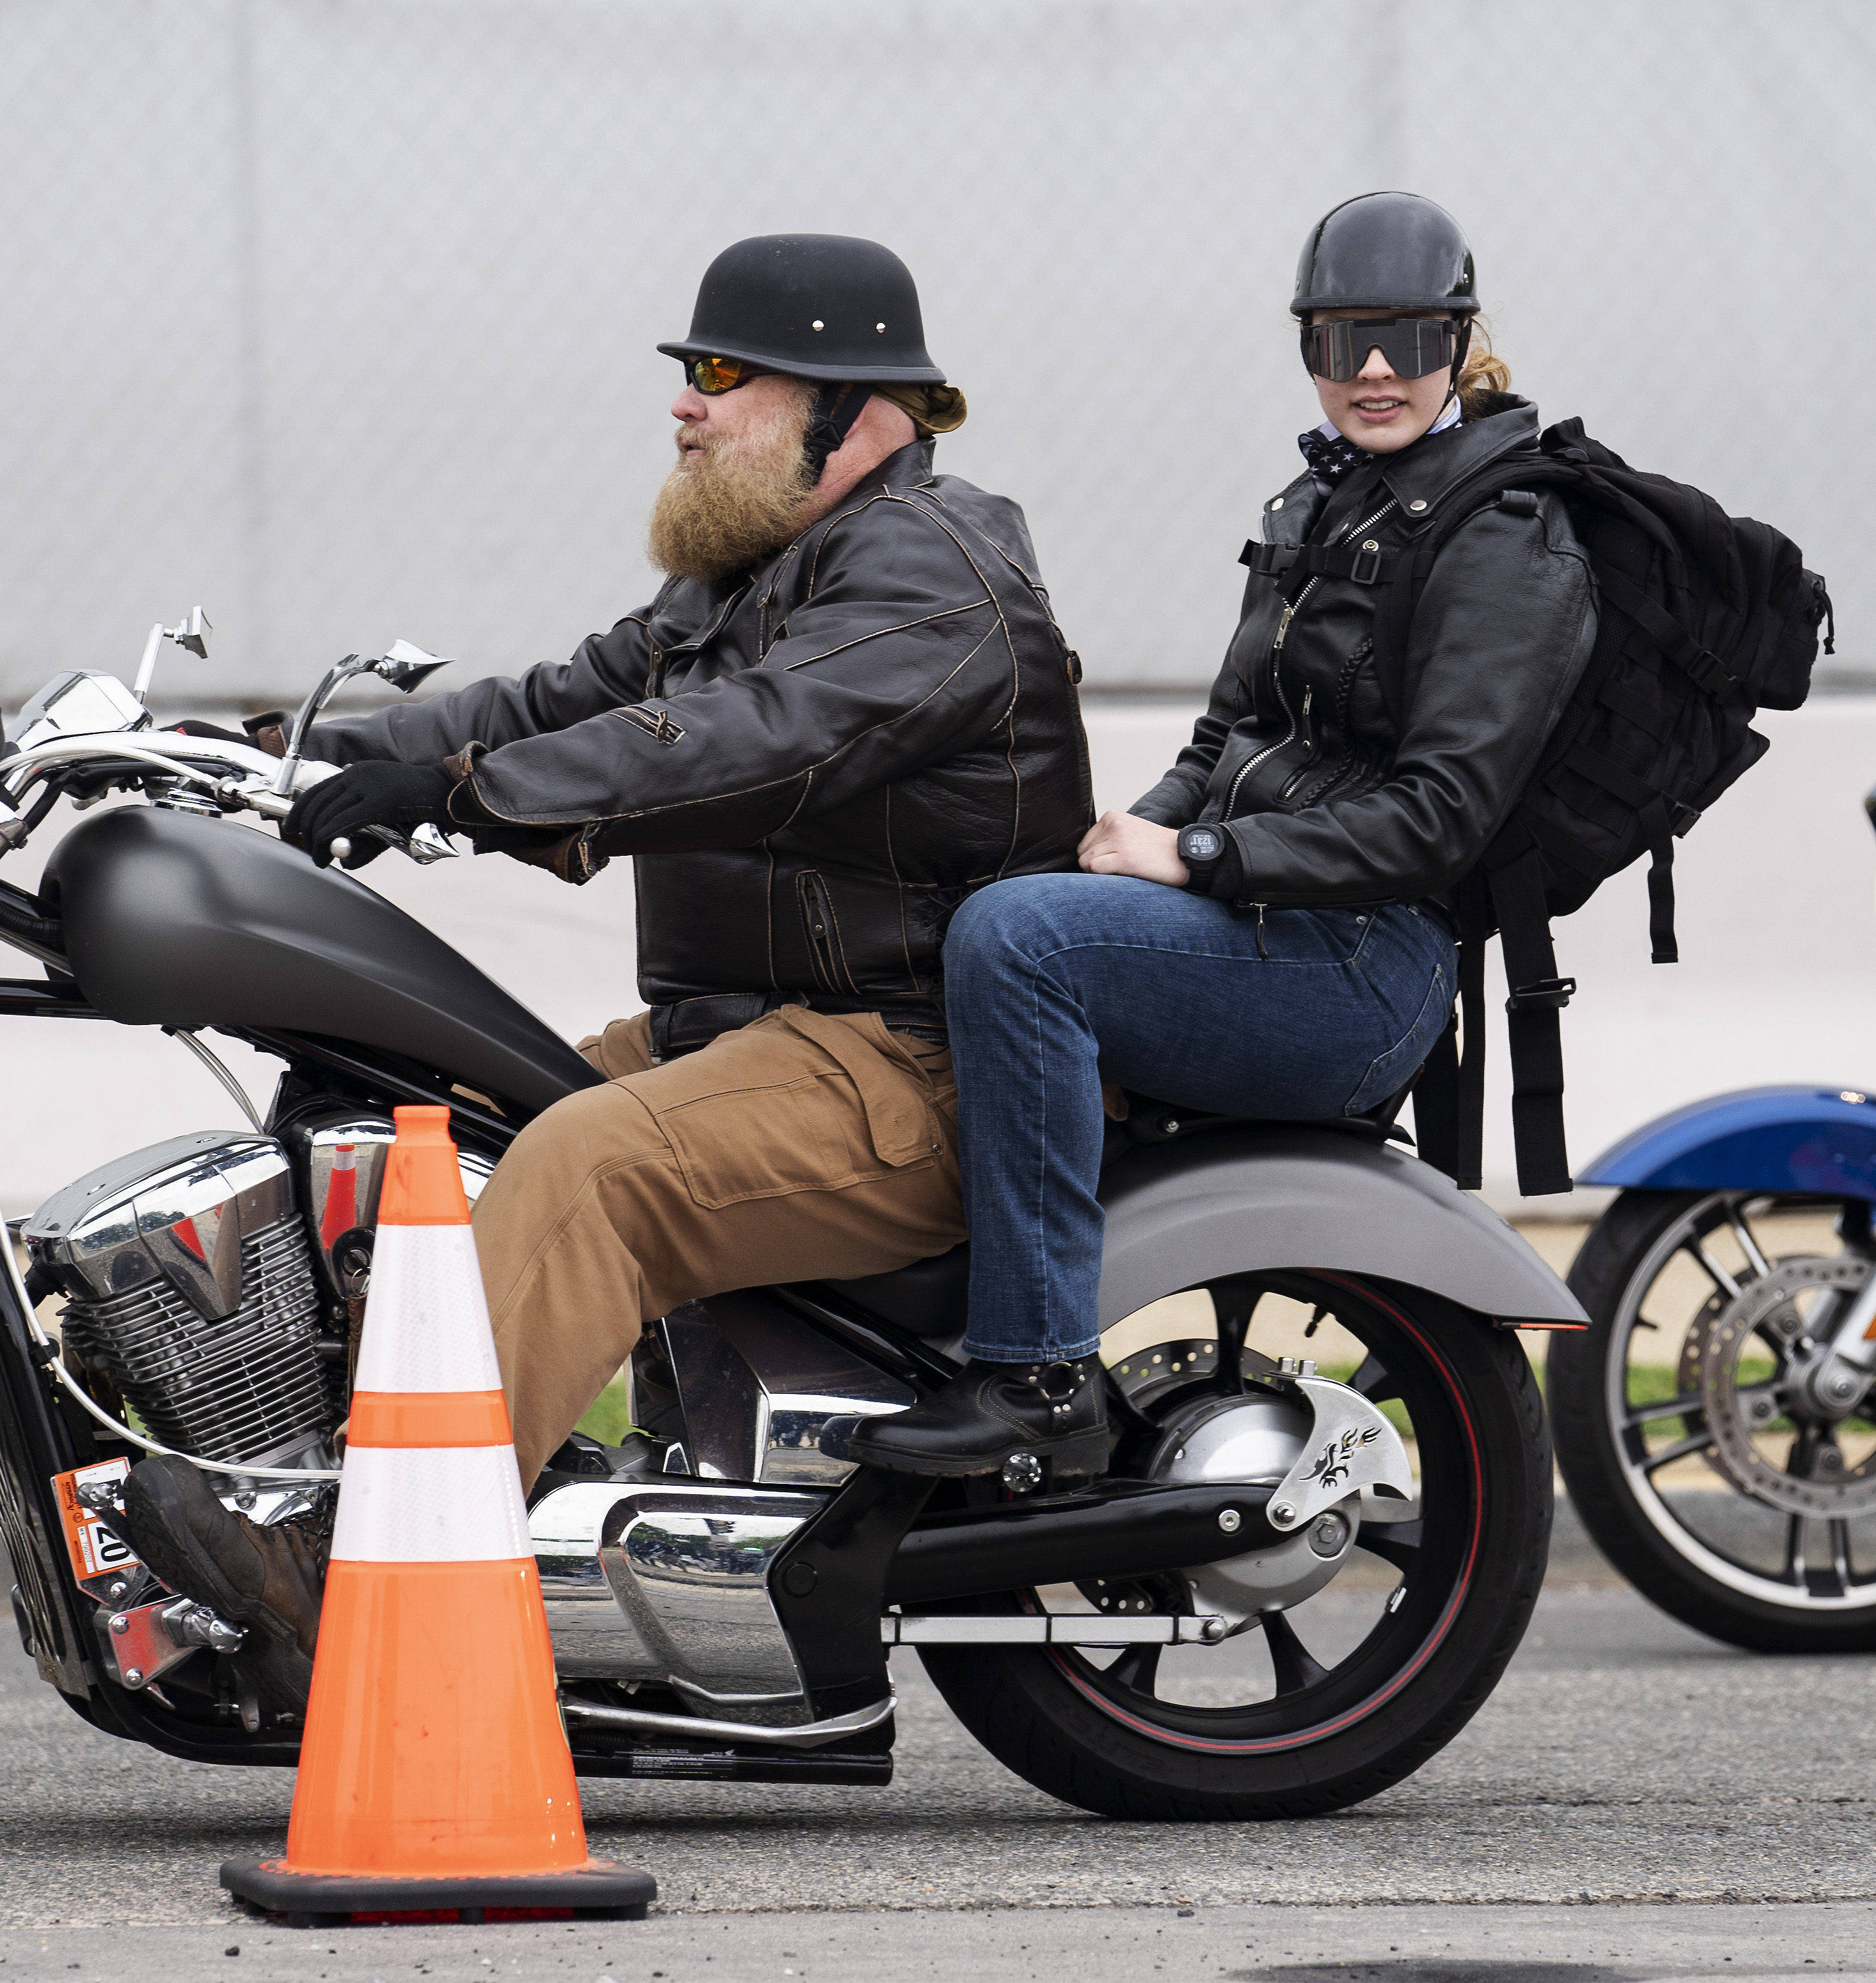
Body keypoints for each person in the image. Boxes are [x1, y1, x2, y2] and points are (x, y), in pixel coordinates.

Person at [119, 234, 1088, 1700]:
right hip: (745, 1041)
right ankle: (314, 1472)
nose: (686, 407)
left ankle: (379, 1586)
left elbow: (744, 737)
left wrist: (458, 795)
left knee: (582, 1169)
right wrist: (261, 753)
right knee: (421, 1110)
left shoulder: (930, 580)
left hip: (904, 1063)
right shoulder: (749, 576)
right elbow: (550, 700)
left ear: (848, 404)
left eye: (717, 374)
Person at [854, 191, 1600, 1481]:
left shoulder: (1509, 535)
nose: (1374, 368)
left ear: (1461, 335)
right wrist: (1128, 834)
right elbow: (1226, 736)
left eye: (1410, 336)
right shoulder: (1326, 505)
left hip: (1364, 969)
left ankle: (1033, 1372)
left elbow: (1439, 821)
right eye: (1343, 335)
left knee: (1020, 943)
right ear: (1307, 341)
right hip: (1260, 927)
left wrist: (1198, 861)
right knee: (995, 899)